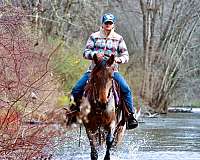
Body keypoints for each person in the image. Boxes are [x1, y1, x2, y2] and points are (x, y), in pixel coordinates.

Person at [70, 13, 138, 129]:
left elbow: (125, 55)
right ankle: (73, 114)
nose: (108, 25)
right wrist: (95, 54)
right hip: (94, 71)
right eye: (106, 22)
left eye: (110, 23)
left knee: (126, 89)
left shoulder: (118, 38)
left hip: (112, 71)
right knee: (76, 88)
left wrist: (117, 59)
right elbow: (85, 52)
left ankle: (130, 116)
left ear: (113, 24)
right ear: (102, 23)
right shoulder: (94, 36)